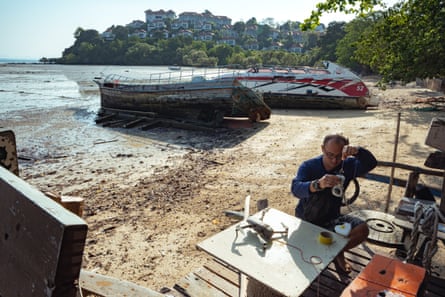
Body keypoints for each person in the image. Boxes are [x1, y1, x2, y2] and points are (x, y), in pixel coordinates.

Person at [291, 134, 377, 273]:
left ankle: (336, 252)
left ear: (345, 153)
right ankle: (332, 251)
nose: (334, 160)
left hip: (332, 218)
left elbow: (371, 163)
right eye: (329, 154)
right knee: (302, 262)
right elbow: (295, 189)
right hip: (307, 219)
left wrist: (358, 151)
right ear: (322, 149)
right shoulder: (309, 166)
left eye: (338, 156)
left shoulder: (348, 165)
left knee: (362, 229)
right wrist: (318, 184)